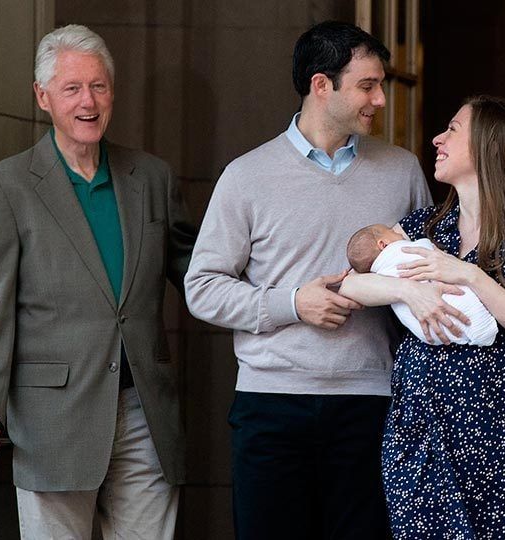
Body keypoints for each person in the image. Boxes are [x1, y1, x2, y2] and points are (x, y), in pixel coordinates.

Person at [183, 21, 432, 539]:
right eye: (367, 85)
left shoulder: (403, 170)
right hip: (271, 408)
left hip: (373, 404)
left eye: (381, 84)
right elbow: (201, 286)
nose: (381, 100)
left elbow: (425, 274)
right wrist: (294, 303)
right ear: (322, 85)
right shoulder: (246, 176)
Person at [0, 25, 195, 539]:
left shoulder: (151, 177)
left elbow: (200, 275)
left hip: (141, 411)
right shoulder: (5, 187)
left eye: (99, 86)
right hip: (52, 421)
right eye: (72, 88)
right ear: (43, 97)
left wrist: (281, 295)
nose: (89, 101)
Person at [339, 95, 505, 538]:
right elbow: (350, 283)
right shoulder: (424, 225)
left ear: (490, 146)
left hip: (499, 433)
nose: (437, 139)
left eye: (452, 129)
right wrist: (408, 291)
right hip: (421, 429)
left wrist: (469, 274)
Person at [346, 223, 499, 346]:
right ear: (383, 245)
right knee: (459, 301)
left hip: (428, 337)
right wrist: (408, 290)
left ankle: (475, 333)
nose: (400, 234)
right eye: (393, 233)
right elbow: (426, 249)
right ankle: (482, 329)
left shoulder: (377, 275)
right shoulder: (400, 250)